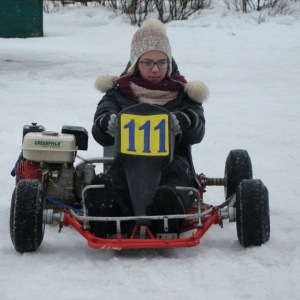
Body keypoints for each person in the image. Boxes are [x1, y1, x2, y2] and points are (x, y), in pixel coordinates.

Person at [88, 19, 208, 238]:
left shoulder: (184, 94)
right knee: (112, 184)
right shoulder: (117, 93)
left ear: (169, 63)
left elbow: (198, 129)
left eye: (162, 62)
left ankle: (167, 212)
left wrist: (184, 121)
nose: (155, 69)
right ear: (136, 63)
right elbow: (99, 128)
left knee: (171, 186)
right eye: (148, 62)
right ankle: (107, 211)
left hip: (172, 162)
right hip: (127, 161)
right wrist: (108, 123)